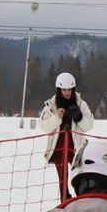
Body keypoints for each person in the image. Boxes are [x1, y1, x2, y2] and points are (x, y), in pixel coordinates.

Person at [39, 71, 93, 200]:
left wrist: (79, 117)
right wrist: (57, 118)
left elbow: (89, 125)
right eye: (64, 89)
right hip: (59, 147)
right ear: (59, 89)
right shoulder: (51, 105)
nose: (67, 92)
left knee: (80, 174)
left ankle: (82, 198)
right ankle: (65, 199)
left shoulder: (81, 104)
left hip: (76, 146)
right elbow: (43, 126)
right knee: (62, 178)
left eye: (69, 89)